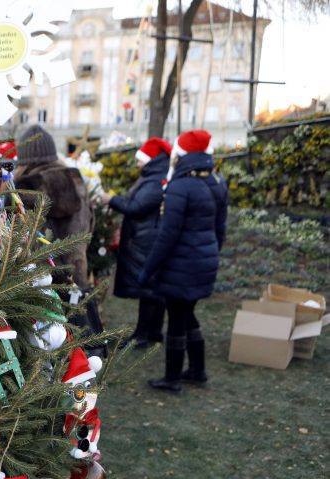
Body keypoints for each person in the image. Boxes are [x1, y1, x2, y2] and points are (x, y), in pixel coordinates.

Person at [139, 129, 227, 392]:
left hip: (181, 264)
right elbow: (220, 228)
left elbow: (167, 235)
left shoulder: (180, 186)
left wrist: (148, 269)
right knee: (188, 314)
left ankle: (172, 378)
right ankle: (197, 371)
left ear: (181, 154)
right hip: (204, 260)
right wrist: (210, 254)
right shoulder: (217, 182)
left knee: (177, 318)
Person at [100, 138, 171, 349]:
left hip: (145, 241)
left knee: (148, 290)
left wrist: (110, 199)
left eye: (140, 159)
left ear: (151, 160)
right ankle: (154, 333)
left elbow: (137, 207)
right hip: (146, 238)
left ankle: (142, 335)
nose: (137, 163)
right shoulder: (153, 178)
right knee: (153, 290)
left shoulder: (155, 180)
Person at [13, 124, 93, 288]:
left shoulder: (18, 193)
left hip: (37, 289)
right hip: (75, 281)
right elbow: (90, 226)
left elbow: (5, 241)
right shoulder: (77, 184)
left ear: (22, 159)